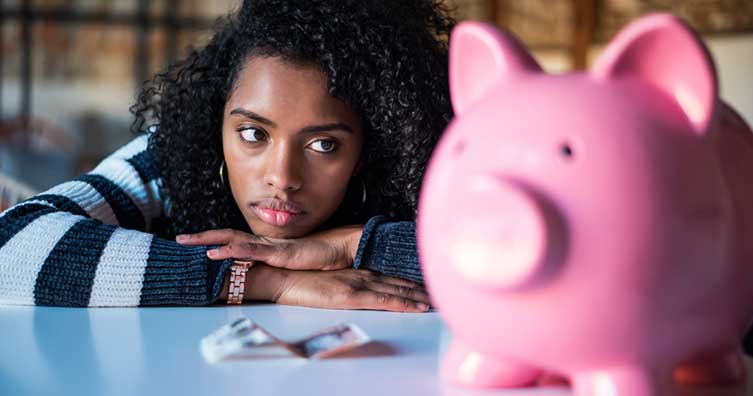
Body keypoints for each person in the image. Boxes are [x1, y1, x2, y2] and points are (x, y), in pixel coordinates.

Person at [0, 0, 454, 310]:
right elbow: (11, 244)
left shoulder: (421, 178)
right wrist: (267, 280)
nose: (282, 177)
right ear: (215, 123)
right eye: (254, 133)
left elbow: (508, 259)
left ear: (371, 146)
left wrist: (349, 245)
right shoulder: (169, 160)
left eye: (324, 145)